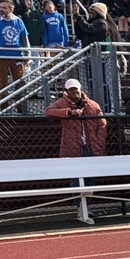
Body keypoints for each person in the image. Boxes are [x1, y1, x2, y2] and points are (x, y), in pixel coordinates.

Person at [45, 77, 107, 224]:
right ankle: (81, 207)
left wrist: (99, 141)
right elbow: (48, 111)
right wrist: (68, 112)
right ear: (67, 91)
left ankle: (87, 206)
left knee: (91, 178)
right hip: (72, 148)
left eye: (76, 89)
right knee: (76, 179)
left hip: (91, 147)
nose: (75, 92)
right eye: (71, 90)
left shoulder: (91, 105)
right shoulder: (62, 103)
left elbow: (102, 123)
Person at [0, 0, 30, 93]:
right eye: (0, 7)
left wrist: (27, 54)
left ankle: (21, 107)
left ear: (11, 9)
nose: (1, 9)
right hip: (1, 57)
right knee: (3, 84)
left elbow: (24, 38)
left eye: (4, 8)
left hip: (17, 56)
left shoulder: (18, 21)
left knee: (19, 83)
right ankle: (3, 106)